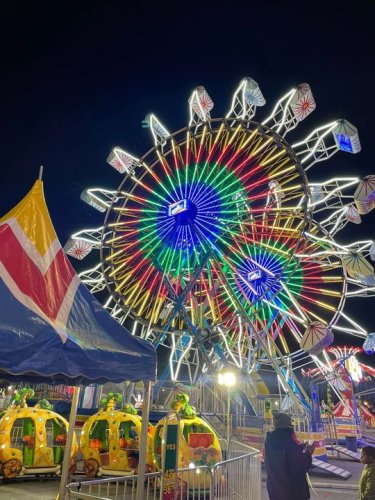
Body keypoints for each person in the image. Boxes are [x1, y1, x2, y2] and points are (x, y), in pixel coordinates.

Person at [264, 411, 315, 500]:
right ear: (288, 426)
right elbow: (300, 467)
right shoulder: (288, 441)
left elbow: (282, 455)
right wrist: (308, 453)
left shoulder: (269, 439)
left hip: (275, 490)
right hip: (291, 493)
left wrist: (300, 446)